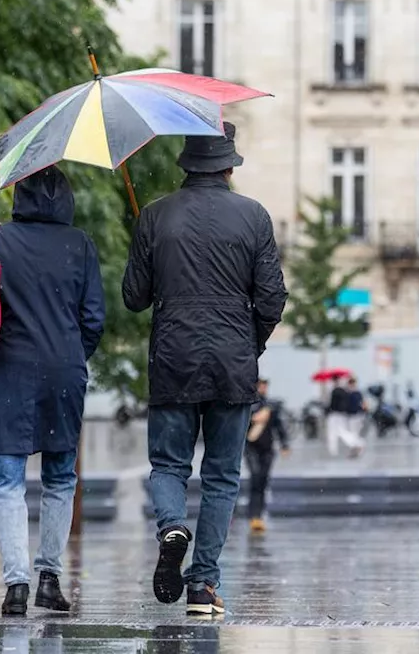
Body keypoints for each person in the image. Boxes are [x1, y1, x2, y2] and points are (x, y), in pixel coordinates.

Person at [123, 123, 287, 617]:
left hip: (173, 357)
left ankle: (172, 524)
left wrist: (147, 244)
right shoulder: (253, 216)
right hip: (233, 362)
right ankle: (203, 585)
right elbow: (273, 297)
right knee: (221, 475)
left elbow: (134, 298)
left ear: (186, 165)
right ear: (228, 166)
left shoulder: (154, 216)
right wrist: (249, 343)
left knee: (170, 464)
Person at [0, 166, 105, 617]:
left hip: (8, 371)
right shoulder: (80, 245)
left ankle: (16, 585)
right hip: (63, 374)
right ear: (65, 198)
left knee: (7, 480)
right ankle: (49, 580)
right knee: (60, 478)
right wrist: (70, 353)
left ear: (20, 194)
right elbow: (93, 319)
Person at [245, 378, 290, 533]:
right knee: (255, 478)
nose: (263, 388)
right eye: (261, 385)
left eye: (265, 385)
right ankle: (253, 515)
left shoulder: (270, 406)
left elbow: (279, 426)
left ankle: (259, 515)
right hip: (251, 447)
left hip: (267, 448)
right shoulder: (248, 405)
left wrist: (285, 444)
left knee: (263, 480)